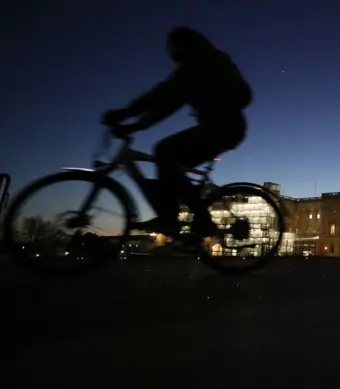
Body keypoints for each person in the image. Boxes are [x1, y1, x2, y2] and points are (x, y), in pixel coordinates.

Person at [101, 26, 252, 238]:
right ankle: (183, 216)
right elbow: (163, 101)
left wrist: (128, 116)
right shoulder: (190, 70)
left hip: (226, 127)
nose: (173, 55)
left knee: (165, 151)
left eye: (175, 49)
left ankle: (184, 219)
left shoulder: (206, 64)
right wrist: (133, 121)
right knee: (171, 166)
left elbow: (163, 99)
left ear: (187, 47)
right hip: (217, 127)